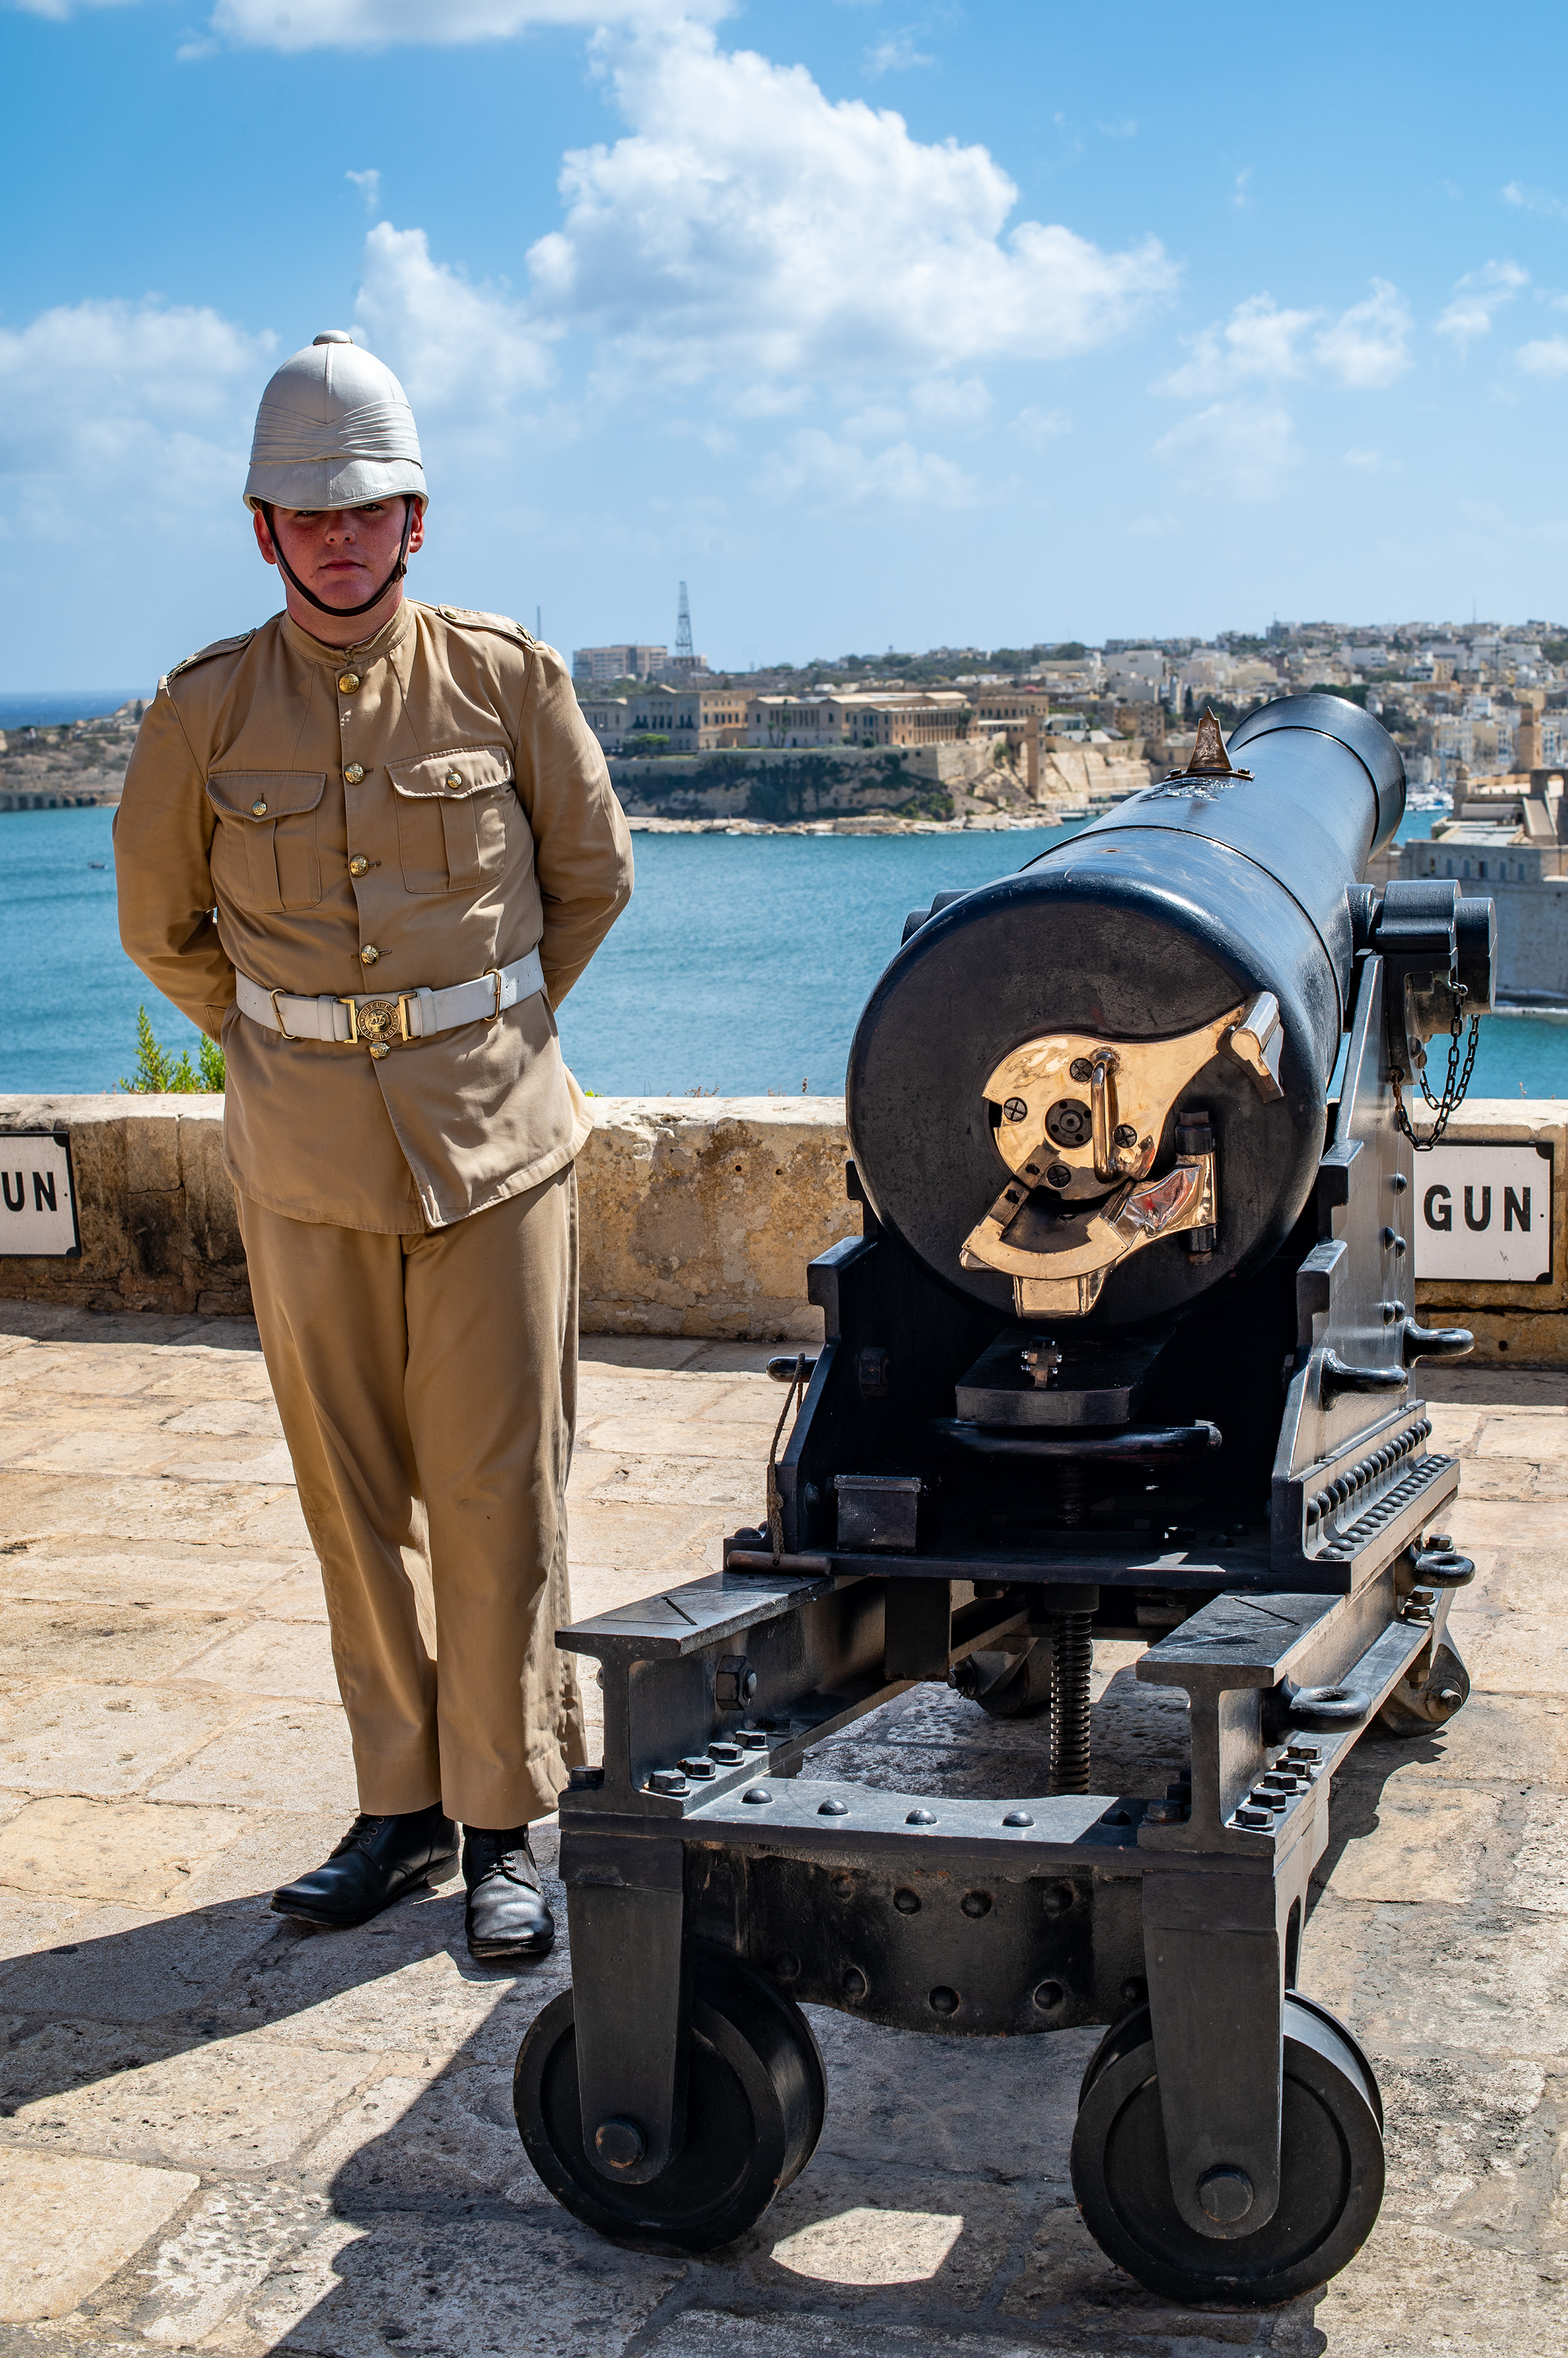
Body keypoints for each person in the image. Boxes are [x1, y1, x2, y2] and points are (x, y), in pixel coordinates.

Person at [115, 331, 634, 1962]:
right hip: (303, 1159)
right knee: (353, 1499)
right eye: (306, 512)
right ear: (261, 528)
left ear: (419, 519)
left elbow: (590, 879)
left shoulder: (507, 679)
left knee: (499, 1493)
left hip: (494, 1149)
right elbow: (162, 925)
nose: (340, 538)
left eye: (369, 509)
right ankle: (395, 1800)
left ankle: (500, 1816)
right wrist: (293, 1055)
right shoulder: (201, 712)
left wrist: (480, 1032)